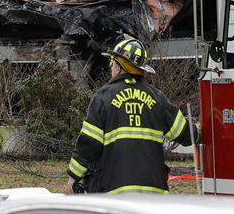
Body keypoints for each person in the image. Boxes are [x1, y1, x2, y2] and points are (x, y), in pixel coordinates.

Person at [66, 37, 191, 195]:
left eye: (112, 63)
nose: (111, 68)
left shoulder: (103, 97)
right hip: (155, 194)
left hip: (116, 194)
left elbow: (89, 143)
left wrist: (74, 176)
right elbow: (185, 134)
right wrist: (206, 132)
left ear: (119, 68)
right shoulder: (157, 98)